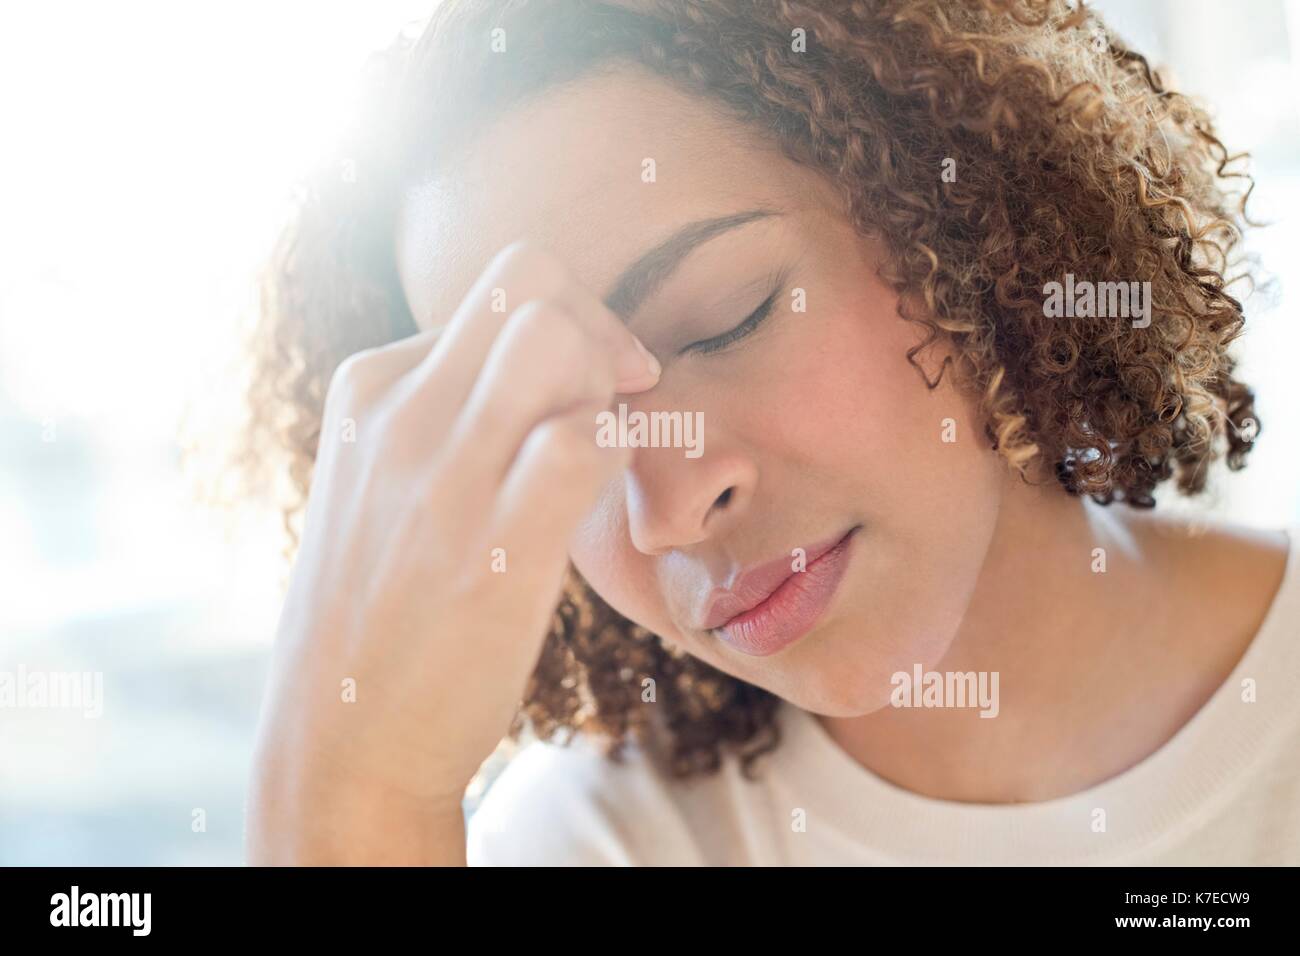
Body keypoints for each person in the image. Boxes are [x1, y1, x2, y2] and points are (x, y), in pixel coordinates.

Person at [242, 0, 1300, 865]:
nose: (666, 511)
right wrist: (356, 786)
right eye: (555, 432)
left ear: (964, 222)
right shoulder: (601, 844)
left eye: (727, 317)